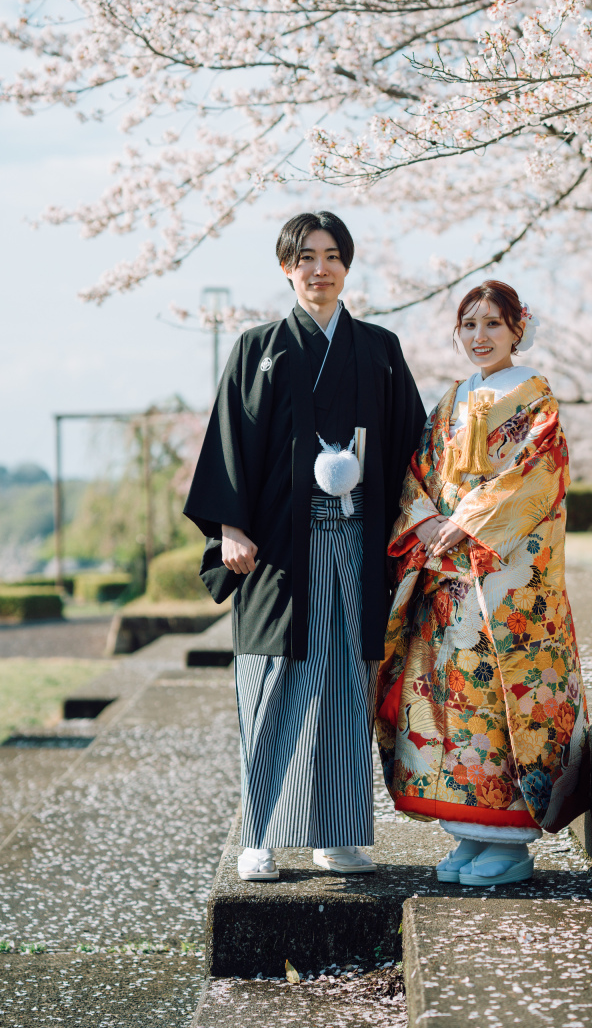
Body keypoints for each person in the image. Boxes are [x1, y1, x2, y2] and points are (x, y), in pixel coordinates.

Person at [184, 211, 426, 881]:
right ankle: (259, 835)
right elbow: (229, 442)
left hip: (356, 541)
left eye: (332, 256)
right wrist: (229, 527)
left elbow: (412, 447)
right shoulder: (258, 348)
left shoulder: (378, 348)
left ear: (347, 266)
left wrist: (422, 521)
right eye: (307, 257)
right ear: (286, 268)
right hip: (278, 551)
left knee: (348, 682)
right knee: (272, 681)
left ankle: (339, 834)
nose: (320, 268)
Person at [375, 280, 589, 887]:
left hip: (504, 579)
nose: (480, 336)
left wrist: (469, 521)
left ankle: (511, 844)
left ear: (518, 329)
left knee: (499, 698)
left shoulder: (534, 397)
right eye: (469, 325)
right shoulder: (450, 400)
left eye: (493, 323)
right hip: (447, 578)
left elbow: (538, 475)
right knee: (452, 703)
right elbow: (419, 471)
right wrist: (428, 521)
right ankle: (469, 832)